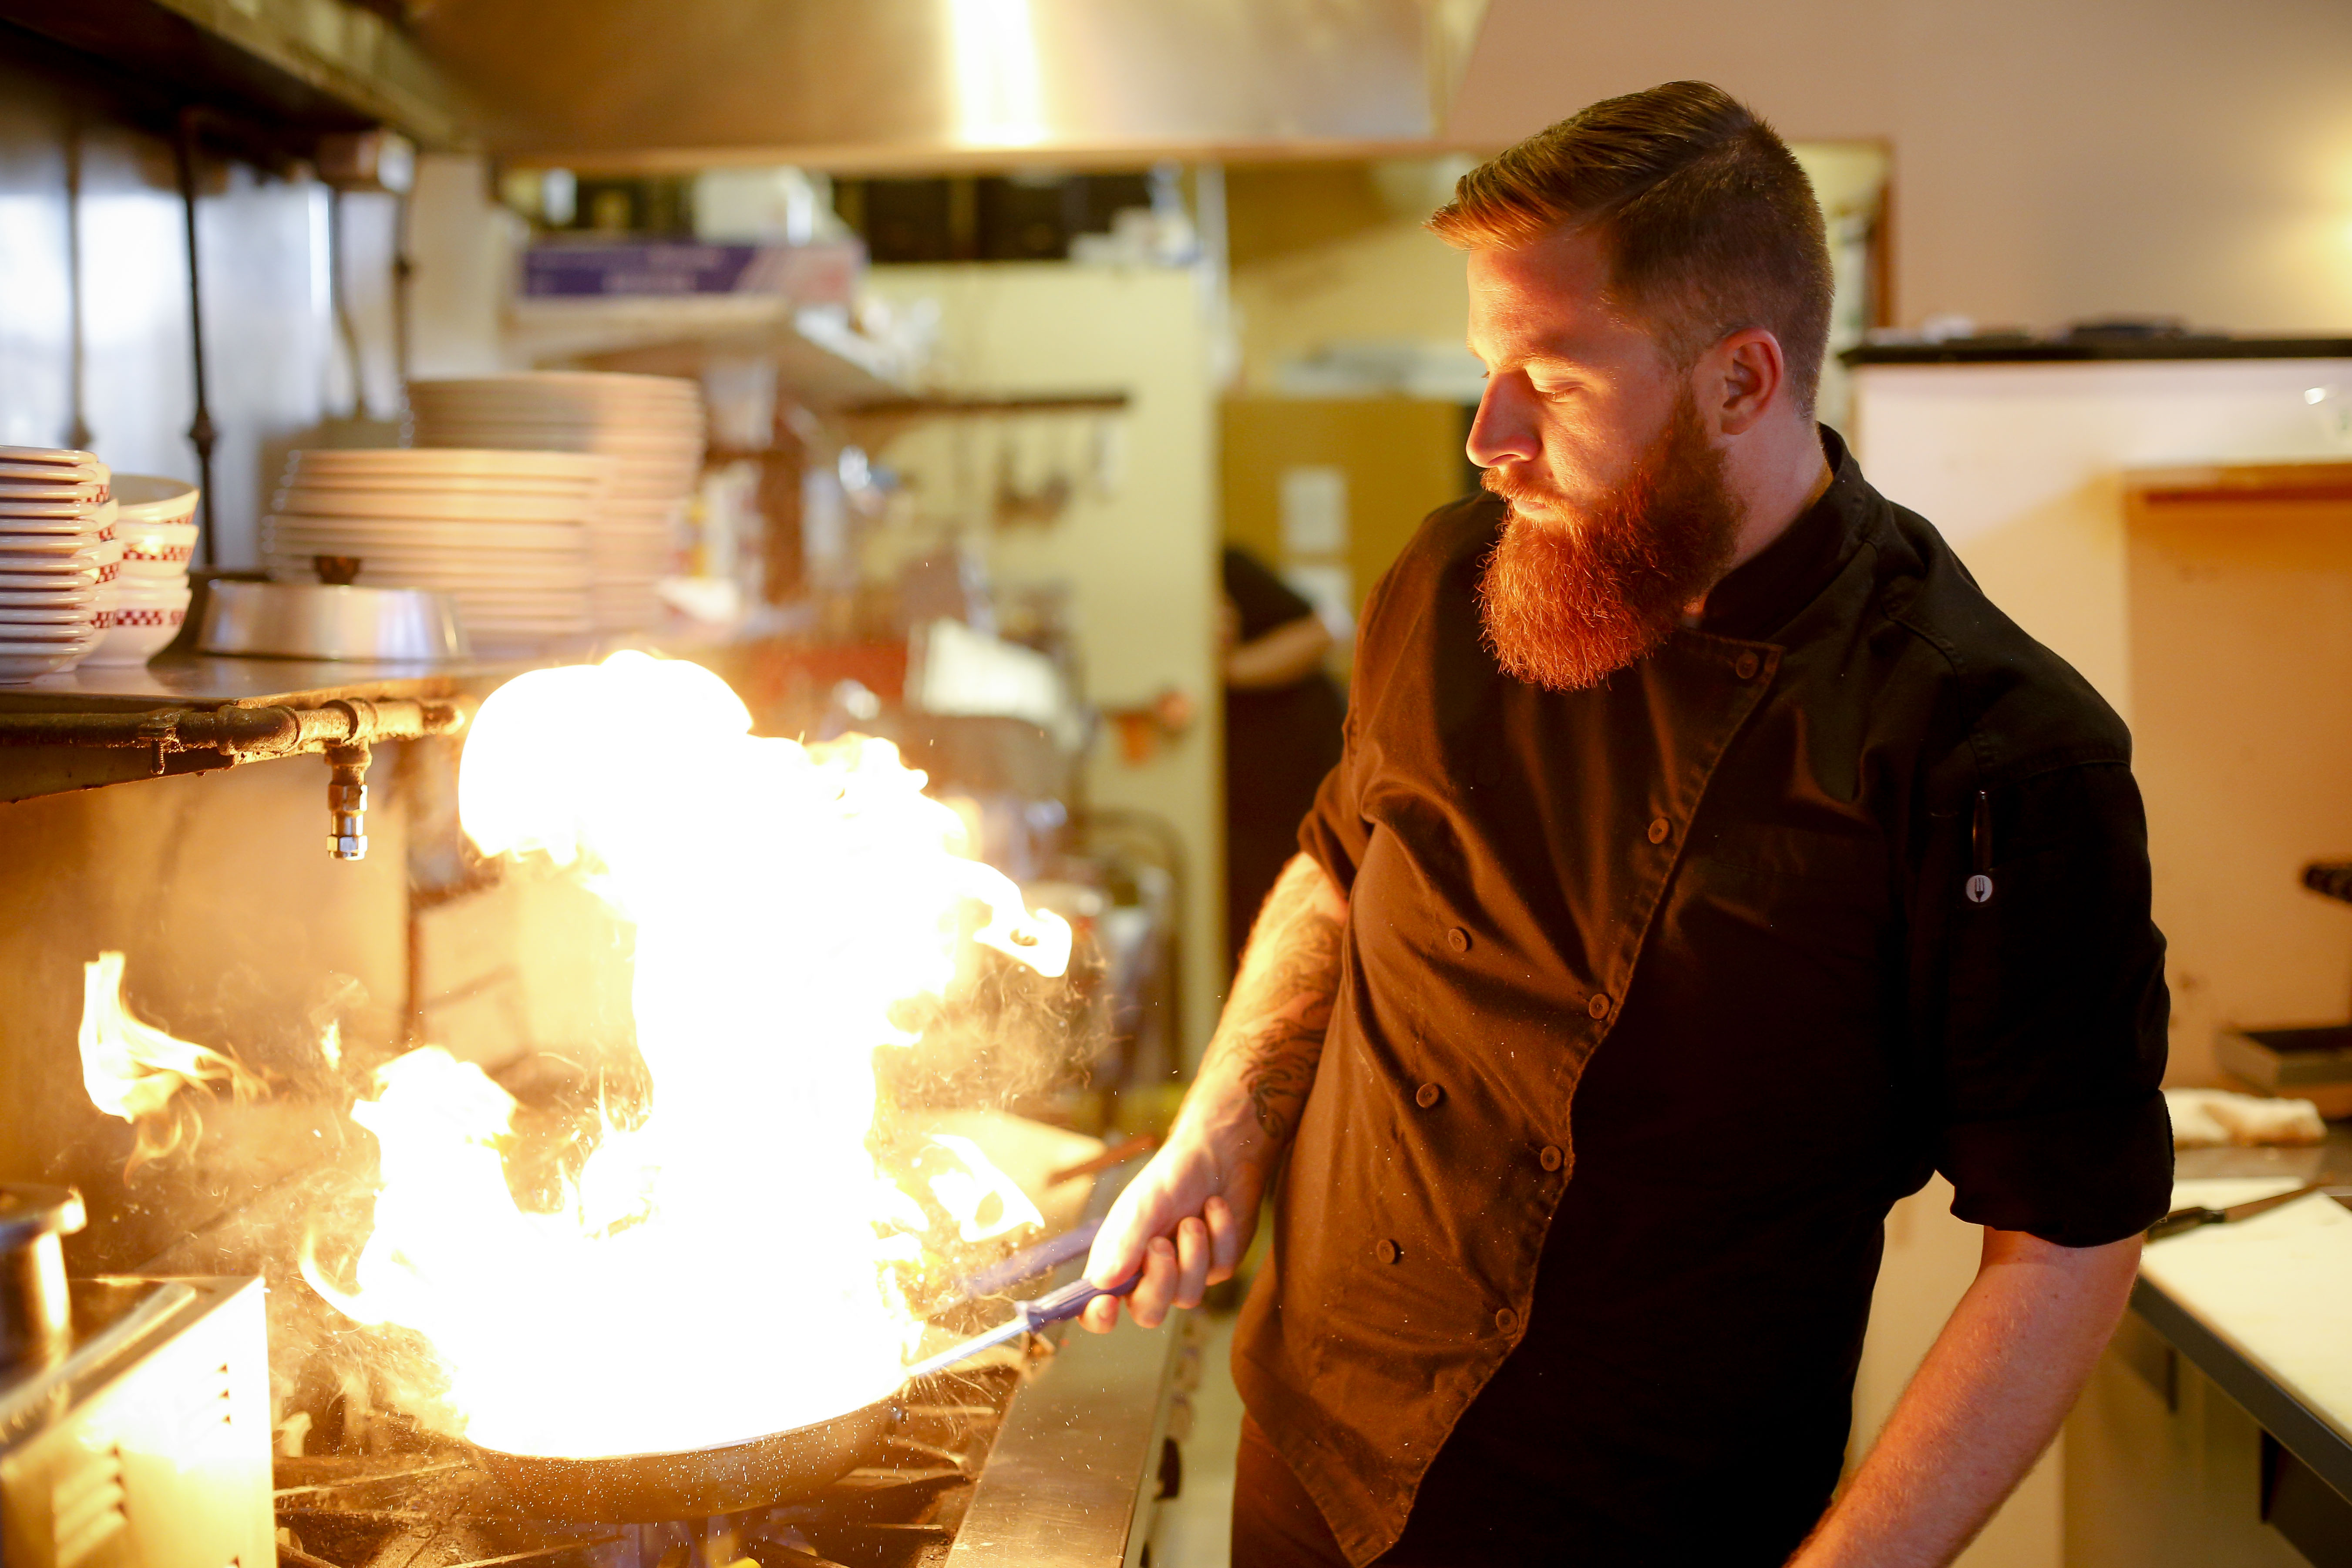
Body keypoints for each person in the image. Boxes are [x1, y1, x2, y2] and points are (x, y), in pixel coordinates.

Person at [1080, 80, 2172, 1568]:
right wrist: (1224, 1118)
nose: (1487, 436)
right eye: (1484, 366)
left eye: (1555, 380)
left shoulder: (1986, 747)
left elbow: (2065, 1237)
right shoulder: (1448, 579)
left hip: (1644, 1517)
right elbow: (1343, 863)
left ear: (1741, 380)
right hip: (1310, 1444)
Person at [1221, 545, 1347, 976]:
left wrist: (1230, 671)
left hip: (1303, 772)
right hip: (1248, 803)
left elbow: (1324, 630)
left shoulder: (1225, 564)